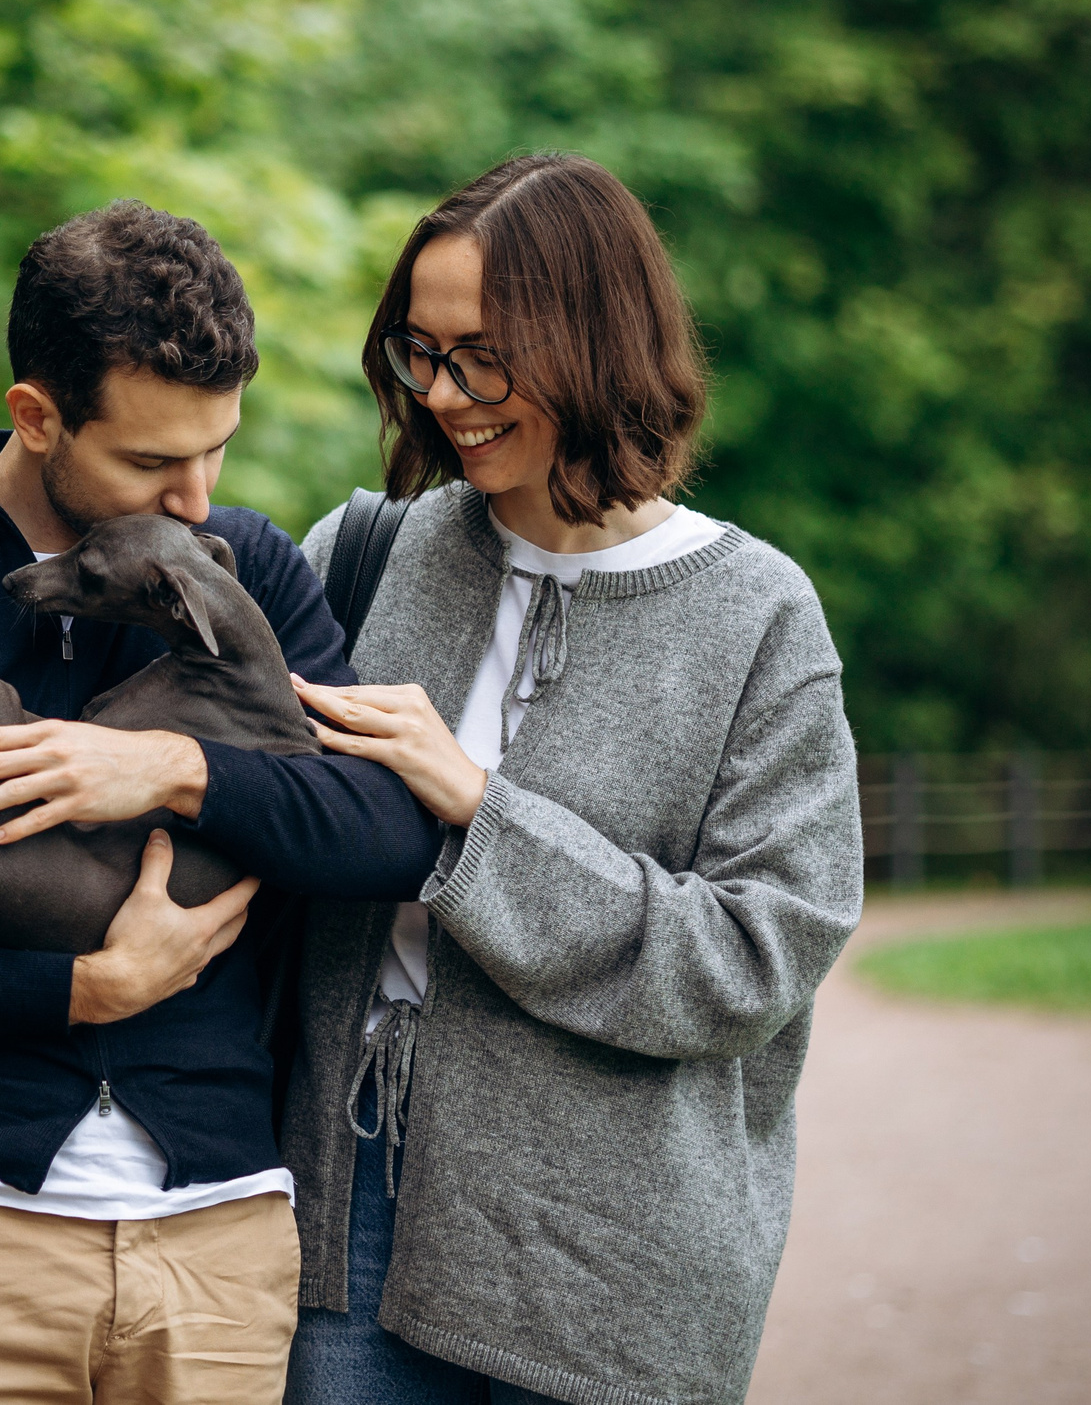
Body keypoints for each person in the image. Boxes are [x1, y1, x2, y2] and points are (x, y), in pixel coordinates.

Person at [0, 199, 440, 1405]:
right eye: (152, 462)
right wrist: (80, 992)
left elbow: (384, 830)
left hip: (218, 1240)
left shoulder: (246, 571)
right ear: (36, 413)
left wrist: (175, 770)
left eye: (216, 449)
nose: (195, 500)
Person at [277, 155, 865, 1405]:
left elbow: (756, 959)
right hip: (348, 1216)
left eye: (483, 355)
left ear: (593, 343)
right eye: (418, 353)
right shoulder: (362, 557)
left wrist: (475, 820)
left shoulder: (755, 616)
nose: (444, 395)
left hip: (618, 1271)